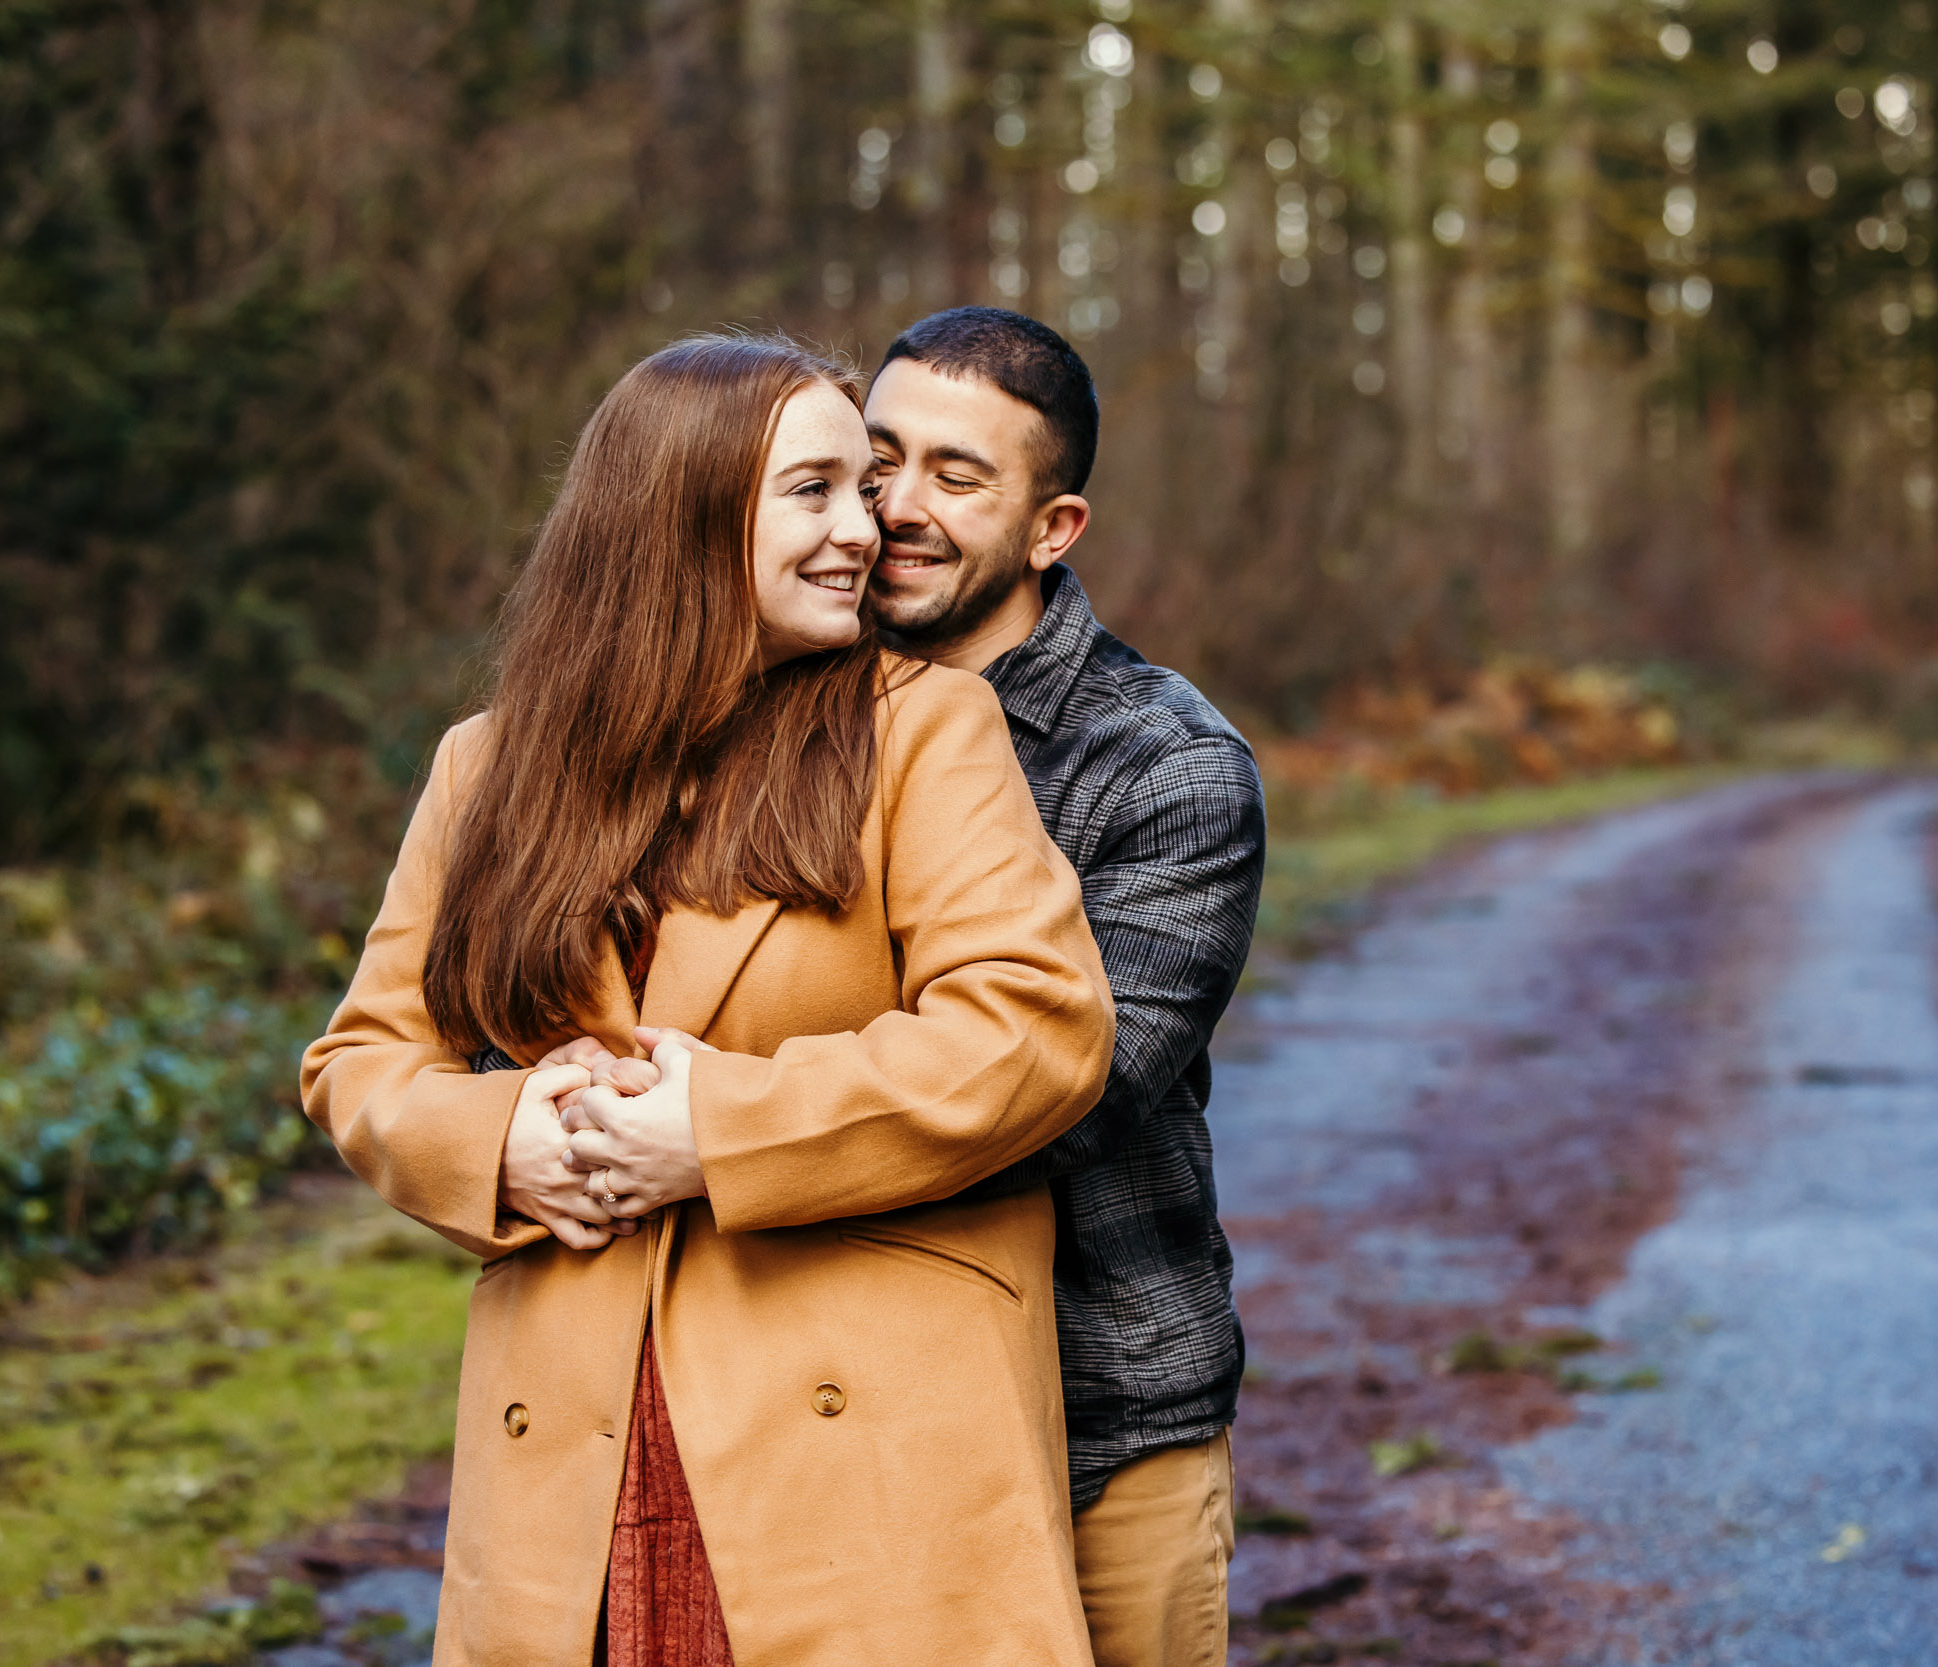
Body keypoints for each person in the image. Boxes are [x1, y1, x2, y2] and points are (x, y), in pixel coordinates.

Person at [299, 334, 1116, 1666]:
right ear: (677, 513)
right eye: (817, 491)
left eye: (868, 488)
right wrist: (501, 1140)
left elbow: (1035, 1029)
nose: (867, 529)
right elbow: (366, 1055)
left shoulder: (923, 727)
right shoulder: (486, 766)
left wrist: (717, 1128)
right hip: (576, 1434)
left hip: (859, 1439)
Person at [868, 308, 1264, 1666]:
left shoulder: (1167, 767)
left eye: (956, 476)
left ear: (1055, 527)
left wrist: (708, 1128)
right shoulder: (782, 717)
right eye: (879, 458)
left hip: (1101, 1411)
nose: (897, 509)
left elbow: (1057, 1096)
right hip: (838, 1394)